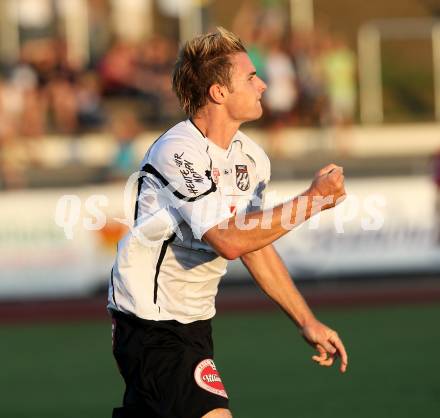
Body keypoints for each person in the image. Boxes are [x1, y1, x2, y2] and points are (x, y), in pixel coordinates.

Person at [108, 27, 348, 418]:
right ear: (218, 93)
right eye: (251, 77)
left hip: (195, 324)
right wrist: (313, 200)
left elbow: (252, 241)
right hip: (149, 323)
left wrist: (306, 320)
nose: (264, 85)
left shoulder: (252, 159)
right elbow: (228, 242)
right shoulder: (177, 151)